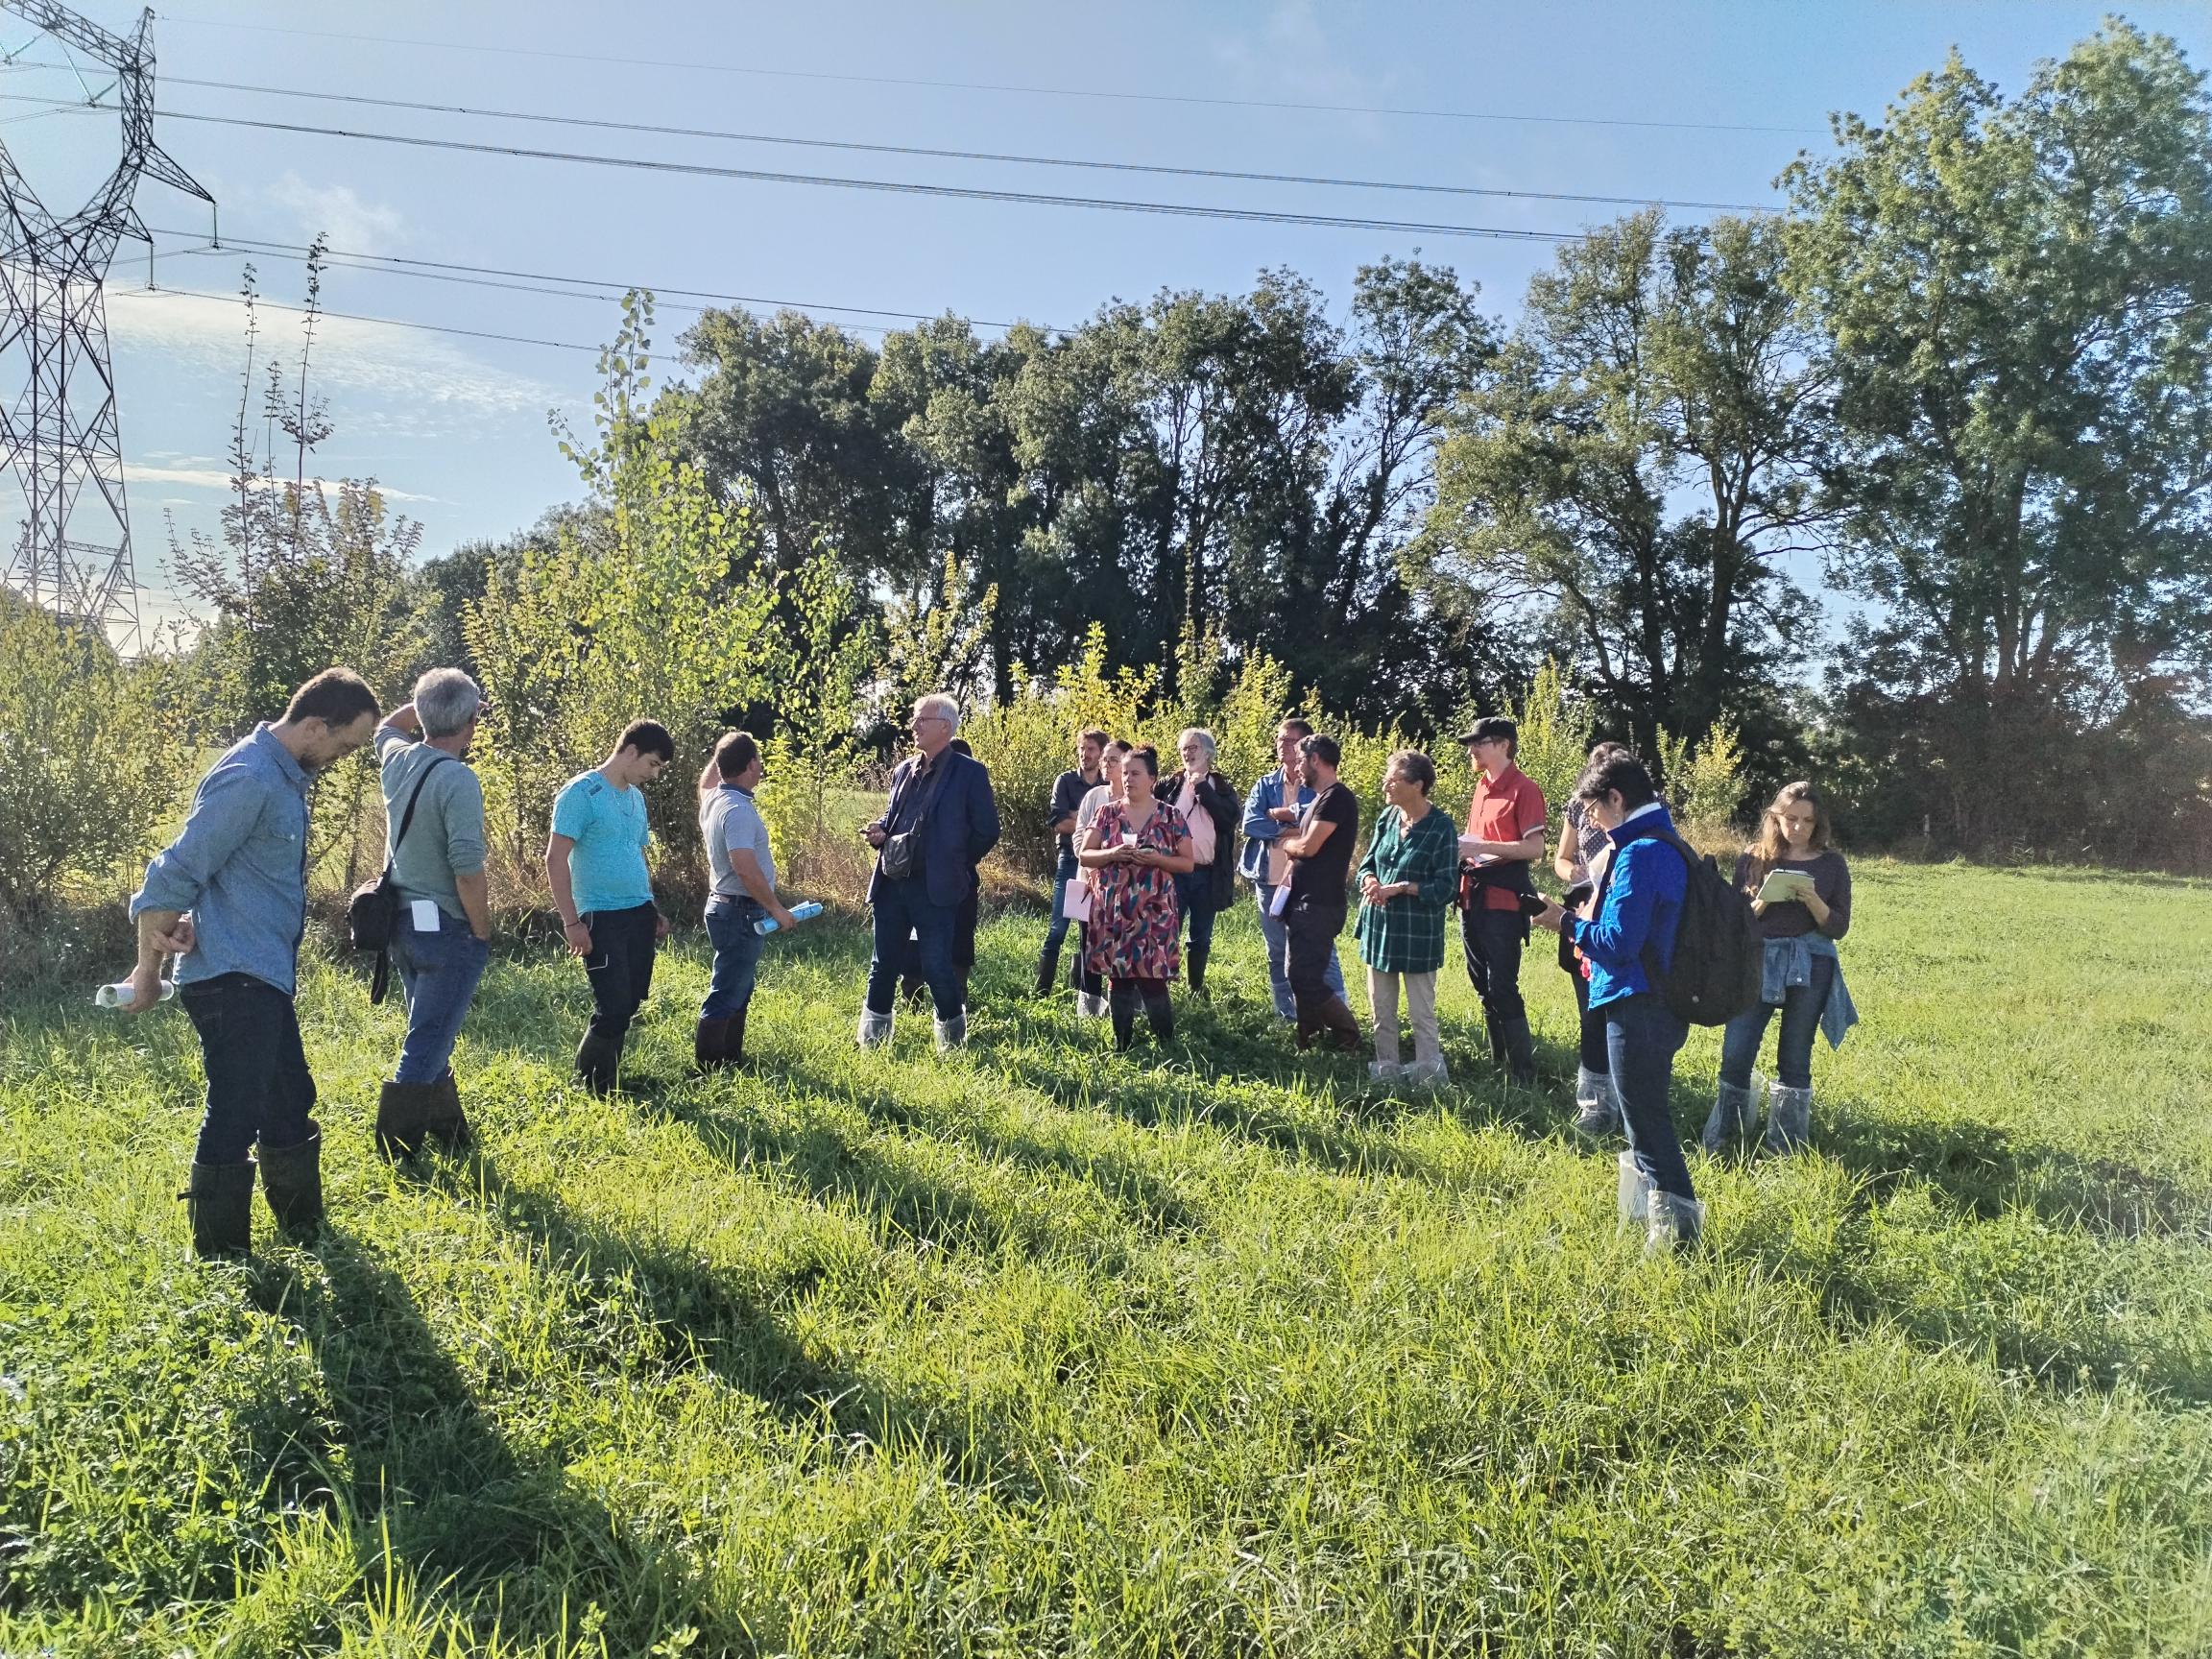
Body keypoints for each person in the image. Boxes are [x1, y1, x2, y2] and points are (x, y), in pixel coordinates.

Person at [125, 667, 380, 1257]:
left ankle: (304, 1228)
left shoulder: (287, 775)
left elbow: (228, 874)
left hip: (258, 970)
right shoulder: (251, 776)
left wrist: (204, 918)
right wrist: (147, 972)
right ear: (315, 726)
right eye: (342, 744)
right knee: (237, 1108)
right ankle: (221, 1261)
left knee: (289, 1095)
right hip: (231, 979)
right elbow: (173, 873)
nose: (343, 757)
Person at [1533, 751, 1702, 1253]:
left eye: (1594, 809)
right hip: (1655, 999)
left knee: (1646, 1119)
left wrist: (1560, 920)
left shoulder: (1641, 852)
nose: (1590, 820)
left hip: (1641, 1003)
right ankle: (1663, 1223)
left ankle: (1679, 1239)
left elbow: (1619, 942)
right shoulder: (1662, 841)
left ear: (1616, 798)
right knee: (1642, 1115)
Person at [371, 669, 493, 1161]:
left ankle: (450, 1134)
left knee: (430, 1026)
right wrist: (481, 932)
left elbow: (386, 726)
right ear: (469, 723)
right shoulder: (459, 779)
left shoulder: (396, 757)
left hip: (400, 924)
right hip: (447, 929)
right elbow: (467, 869)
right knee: (426, 1040)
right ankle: (394, 1153)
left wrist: (426, 705)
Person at [1704, 781, 1857, 1156]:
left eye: (1807, 820)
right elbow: (1734, 923)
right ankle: (1726, 1134)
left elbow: (1838, 926)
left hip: (1811, 964)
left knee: (1795, 1054)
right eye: (1791, 819)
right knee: (1737, 1049)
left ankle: (1785, 1145)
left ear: (1817, 822)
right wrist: (1759, 905)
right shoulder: (1753, 858)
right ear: (1776, 818)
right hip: (1757, 961)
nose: (1799, 827)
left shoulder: (1832, 864)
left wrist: (1813, 901)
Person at [859, 694, 1000, 1053]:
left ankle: (952, 1045)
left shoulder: (970, 772)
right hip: (893, 882)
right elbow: (895, 820)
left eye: (922, 719)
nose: (914, 726)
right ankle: (871, 1043)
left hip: (936, 888)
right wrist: (881, 831)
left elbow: (987, 831)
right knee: (883, 963)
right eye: (915, 719)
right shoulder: (903, 770)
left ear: (945, 727)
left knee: (938, 965)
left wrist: (954, 860)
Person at [547, 720, 674, 1095]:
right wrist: (571, 923)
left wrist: (652, 908)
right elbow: (555, 859)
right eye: (652, 763)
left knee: (631, 999)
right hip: (599, 916)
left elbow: (636, 855)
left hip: (637, 913)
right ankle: (592, 1086)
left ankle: (609, 1078)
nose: (653, 774)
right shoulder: (580, 793)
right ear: (630, 751)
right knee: (614, 1004)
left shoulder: (636, 799)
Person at [1077, 744, 1193, 1051]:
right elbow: (1085, 854)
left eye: (1136, 773)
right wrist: (1112, 853)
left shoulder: (1170, 816)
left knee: (1152, 977)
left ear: (1152, 778)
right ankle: (1122, 1044)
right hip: (1115, 908)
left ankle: (1167, 1044)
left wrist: (1157, 859)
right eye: (1125, 772)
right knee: (1119, 976)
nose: (1128, 778)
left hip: (1155, 909)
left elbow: (1187, 862)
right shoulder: (1107, 813)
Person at [1355, 750, 1459, 1086]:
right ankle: (1387, 1072)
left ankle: (1429, 1075)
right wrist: (1370, 881)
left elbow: (1446, 888)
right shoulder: (1388, 817)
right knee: (1381, 1010)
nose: (1386, 783)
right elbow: (1367, 863)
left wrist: (1401, 887)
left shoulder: (1441, 827)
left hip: (1418, 934)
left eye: (1394, 778)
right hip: (1380, 928)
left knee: (1421, 1013)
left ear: (1417, 785)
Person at [694, 730, 797, 1072]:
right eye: (759, 760)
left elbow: (705, 783)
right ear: (752, 764)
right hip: (740, 909)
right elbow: (745, 867)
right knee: (727, 988)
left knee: (738, 983)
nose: (762, 765)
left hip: (723, 906)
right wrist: (777, 909)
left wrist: (723, 750)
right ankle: (711, 1068)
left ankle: (730, 1060)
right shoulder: (737, 810)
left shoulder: (714, 799)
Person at [1456, 715, 1548, 1087]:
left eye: (1480, 742)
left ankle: (1523, 1075)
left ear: (1503, 745)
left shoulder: (1525, 789)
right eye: (1471, 743)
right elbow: (1474, 841)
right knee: (1480, 984)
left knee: (1503, 987)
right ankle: (1500, 1066)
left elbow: (1535, 848)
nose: (1472, 749)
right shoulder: (1481, 786)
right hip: (1470, 897)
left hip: (1505, 902)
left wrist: (1480, 846)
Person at [1239, 718, 1347, 1021]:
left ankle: (1338, 1015)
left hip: (1306, 883)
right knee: (1277, 951)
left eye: (1289, 741)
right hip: (1269, 880)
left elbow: (1319, 825)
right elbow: (1250, 824)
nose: (1281, 745)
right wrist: (1290, 829)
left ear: (1305, 746)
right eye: (1279, 739)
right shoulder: (1265, 784)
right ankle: (1287, 1015)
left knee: (1320, 952)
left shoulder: (1318, 787)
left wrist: (1283, 822)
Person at [1554, 741, 1634, 1136]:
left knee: (1620, 1013)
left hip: (1622, 906)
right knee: (1589, 1011)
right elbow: (1561, 859)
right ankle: (1595, 1105)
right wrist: (1577, 873)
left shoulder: (1640, 809)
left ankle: (1626, 1100)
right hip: (1584, 901)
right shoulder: (1578, 804)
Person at [1276, 733, 1362, 1051]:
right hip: (1304, 903)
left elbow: (1309, 846)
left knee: (1304, 976)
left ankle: (1348, 1035)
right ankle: (1309, 1039)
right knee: (1297, 972)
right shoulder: (1319, 799)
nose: (1296, 768)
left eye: (1299, 760)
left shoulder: (1337, 798)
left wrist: (1288, 845)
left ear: (1315, 760)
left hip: (1320, 904)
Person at [1158, 727, 1238, 999]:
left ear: (1208, 752)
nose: (1187, 753)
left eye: (1193, 747)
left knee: (1200, 936)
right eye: (1183, 748)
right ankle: (1161, 988)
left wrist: (1202, 786)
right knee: (1169, 930)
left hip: (1208, 873)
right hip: (1175, 871)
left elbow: (1228, 820)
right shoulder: (1171, 784)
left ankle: (1195, 988)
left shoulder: (1222, 786)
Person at [1034, 729, 1111, 996]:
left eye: (1090, 749)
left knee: (1089, 926)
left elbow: (1110, 826)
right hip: (1070, 860)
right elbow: (1059, 823)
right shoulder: (1065, 781)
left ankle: (1080, 987)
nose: (1084, 754)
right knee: (1059, 925)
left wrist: (1080, 819)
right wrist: (1092, 824)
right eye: (1081, 748)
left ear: (1101, 753)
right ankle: (1042, 990)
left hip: (1102, 863)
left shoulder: (1108, 785)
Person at [1069, 738, 1132, 1018]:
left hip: (1128, 885)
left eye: (1113, 760)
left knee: (1125, 943)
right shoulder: (1093, 797)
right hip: (1090, 880)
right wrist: (1096, 863)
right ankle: (1090, 1008)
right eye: (1105, 760)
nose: (1107, 765)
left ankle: (1123, 1003)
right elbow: (1079, 835)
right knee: (1088, 944)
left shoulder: (1138, 798)